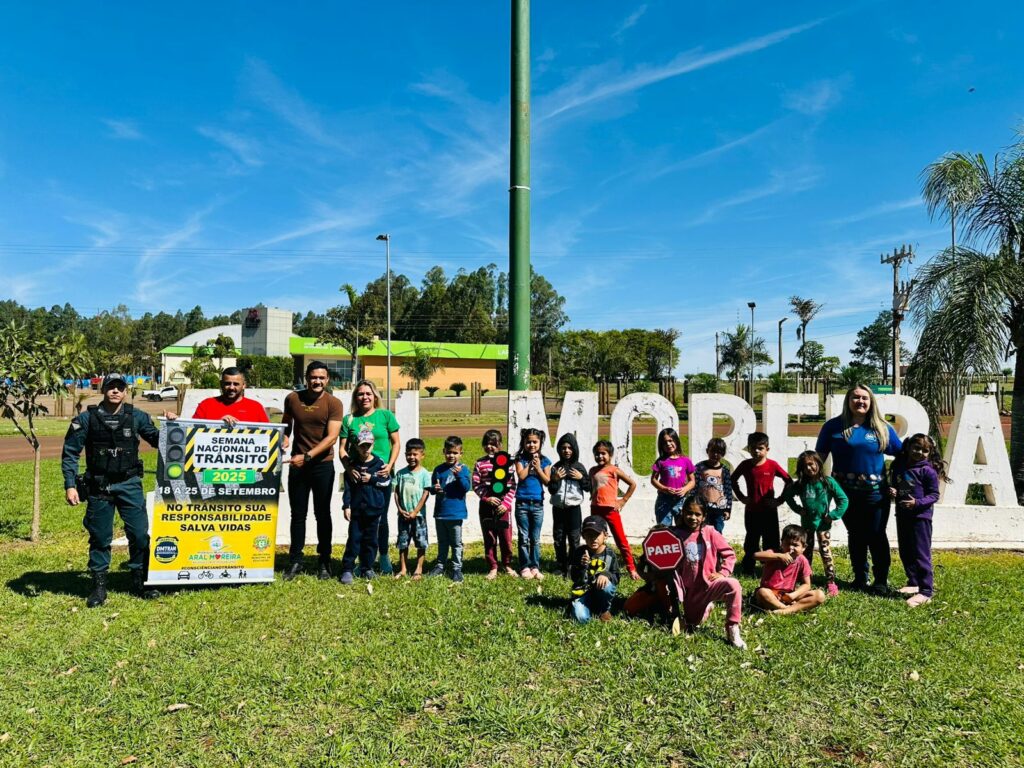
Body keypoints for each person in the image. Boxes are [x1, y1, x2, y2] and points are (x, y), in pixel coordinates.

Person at [61, 373, 161, 607]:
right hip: (99, 486)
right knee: (100, 537)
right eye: (111, 387)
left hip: (129, 485)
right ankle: (99, 587)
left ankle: (139, 581)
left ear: (126, 391)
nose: (115, 391)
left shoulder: (137, 417)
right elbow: (70, 453)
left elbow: (158, 440)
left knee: (139, 534)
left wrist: (172, 425)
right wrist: (70, 485)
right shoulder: (86, 420)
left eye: (120, 387)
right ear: (103, 390)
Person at [815, 385, 902, 592]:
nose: (860, 402)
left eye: (864, 398)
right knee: (855, 534)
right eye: (855, 398)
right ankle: (860, 577)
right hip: (845, 494)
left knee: (876, 534)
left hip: (876, 494)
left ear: (871, 402)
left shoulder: (881, 427)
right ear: (848, 401)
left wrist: (901, 483)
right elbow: (818, 458)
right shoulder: (833, 427)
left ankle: (881, 580)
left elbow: (902, 454)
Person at [281, 361, 343, 581]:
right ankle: (295, 560)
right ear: (306, 378)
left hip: (321, 466)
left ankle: (324, 561)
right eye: (313, 377)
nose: (317, 381)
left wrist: (307, 457)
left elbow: (332, 438)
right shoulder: (293, 399)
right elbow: (286, 423)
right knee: (297, 515)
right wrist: (286, 437)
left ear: (327, 380)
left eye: (321, 378)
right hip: (297, 466)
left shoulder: (333, 403)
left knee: (322, 514)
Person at [338, 380, 401, 575]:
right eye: (360, 394)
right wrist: (348, 469)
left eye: (368, 393)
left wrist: (389, 466)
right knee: (358, 521)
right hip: (357, 476)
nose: (364, 397)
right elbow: (342, 448)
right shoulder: (349, 420)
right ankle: (361, 562)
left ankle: (382, 556)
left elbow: (396, 443)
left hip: (380, 476)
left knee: (380, 518)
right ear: (355, 397)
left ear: (375, 396)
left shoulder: (386, 416)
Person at [672, 496, 746, 649]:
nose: (693, 517)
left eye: (697, 514)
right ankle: (706, 608)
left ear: (704, 516)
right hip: (689, 592)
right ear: (683, 513)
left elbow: (730, 554)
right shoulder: (675, 534)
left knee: (733, 584)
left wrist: (724, 572)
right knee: (692, 624)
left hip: (709, 584)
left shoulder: (710, 532)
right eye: (689, 513)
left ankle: (732, 628)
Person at [780, 450, 848, 597]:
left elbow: (844, 500)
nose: (809, 468)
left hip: (823, 526)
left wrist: (833, 515)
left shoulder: (828, 482)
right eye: (805, 466)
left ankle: (830, 581)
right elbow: (788, 495)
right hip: (806, 526)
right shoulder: (801, 484)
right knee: (805, 553)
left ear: (818, 463)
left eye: (811, 464)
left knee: (825, 553)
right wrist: (798, 509)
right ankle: (805, 579)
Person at [890, 433, 946, 607]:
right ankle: (913, 582)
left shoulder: (927, 471)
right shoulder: (900, 467)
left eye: (925, 450)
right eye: (916, 448)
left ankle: (926, 591)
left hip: (920, 518)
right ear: (908, 447)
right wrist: (895, 492)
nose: (919, 452)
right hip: (903, 516)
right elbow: (902, 489)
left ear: (930, 453)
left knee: (921, 554)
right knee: (905, 551)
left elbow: (934, 495)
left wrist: (917, 503)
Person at [731, 432, 791, 575]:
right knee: (751, 540)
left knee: (771, 541)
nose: (756, 451)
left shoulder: (772, 465)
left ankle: (770, 568)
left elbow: (789, 481)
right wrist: (741, 497)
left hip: (769, 511)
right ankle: (748, 568)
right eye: (753, 448)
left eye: (760, 448)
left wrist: (779, 500)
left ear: (767, 449)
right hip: (751, 510)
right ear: (749, 449)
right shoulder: (745, 465)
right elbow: (733, 480)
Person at [338, 428, 392, 584]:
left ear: (373, 445)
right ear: (356, 446)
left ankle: (367, 567)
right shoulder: (352, 465)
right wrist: (346, 505)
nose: (365, 449)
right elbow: (347, 487)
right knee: (354, 539)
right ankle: (348, 569)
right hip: (356, 510)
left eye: (368, 445)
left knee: (371, 541)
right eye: (362, 446)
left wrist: (372, 479)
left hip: (374, 510)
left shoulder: (379, 463)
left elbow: (386, 482)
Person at [589, 440, 640, 580]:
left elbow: (632, 484)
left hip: (611, 510)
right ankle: (595, 565)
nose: (600, 456)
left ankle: (631, 568)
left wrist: (623, 500)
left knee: (621, 540)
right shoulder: (592, 470)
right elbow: (593, 486)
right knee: (595, 538)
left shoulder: (614, 470)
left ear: (610, 455)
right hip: (595, 509)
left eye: (603, 453)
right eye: (597, 454)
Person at [472, 430, 518, 580]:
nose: (490, 447)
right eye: (487, 444)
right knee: (489, 537)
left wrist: (506, 503)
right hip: (486, 507)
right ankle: (493, 566)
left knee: (506, 538)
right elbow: (476, 484)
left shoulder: (507, 463)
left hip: (503, 508)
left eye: (493, 444)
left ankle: (507, 564)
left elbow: (512, 485)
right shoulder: (480, 463)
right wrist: (487, 498)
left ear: (500, 445)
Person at [752, 525, 825, 615]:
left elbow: (807, 585)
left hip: (788, 595)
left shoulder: (802, 560)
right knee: (762, 592)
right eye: (787, 543)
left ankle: (784, 610)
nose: (791, 548)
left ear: (804, 547)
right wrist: (779, 556)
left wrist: (793, 595)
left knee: (819, 595)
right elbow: (756, 555)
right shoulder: (775, 553)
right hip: (770, 593)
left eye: (795, 545)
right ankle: (787, 609)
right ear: (781, 542)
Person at [547, 432, 591, 578]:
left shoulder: (579, 467)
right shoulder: (556, 467)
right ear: (559, 450)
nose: (566, 450)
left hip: (573, 509)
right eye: (563, 448)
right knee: (559, 538)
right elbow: (552, 490)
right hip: (558, 508)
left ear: (574, 450)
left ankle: (573, 565)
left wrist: (581, 478)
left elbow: (588, 487)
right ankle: (561, 565)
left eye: (569, 448)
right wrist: (555, 479)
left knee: (574, 538)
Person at [429, 436, 471, 583]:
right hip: (441, 512)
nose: (451, 455)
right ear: (443, 452)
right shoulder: (439, 470)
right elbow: (433, 489)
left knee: (456, 542)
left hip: (455, 513)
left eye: (455, 452)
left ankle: (456, 568)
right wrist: (435, 489)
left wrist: (458, 475)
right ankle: (440, 565)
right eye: (448, 452)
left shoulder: (464, 469)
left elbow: (466, 487)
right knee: (442, 541)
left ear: (461, 454)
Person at [163, 367, 269, 425]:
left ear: (244, 385)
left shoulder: (255, 407)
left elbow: (269, 434)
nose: (231, 387)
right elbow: (192, 430)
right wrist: (176, 422)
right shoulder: (206, 405)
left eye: (236, 384)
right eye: (227, 383)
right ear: (221, 384)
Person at [514, 428, 552, 580]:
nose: (531, 445)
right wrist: (530, 464)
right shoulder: (520, 459)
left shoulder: (545, 461)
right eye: (528, 442)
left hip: (537, 503)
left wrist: (538, 468)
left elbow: (548, 481)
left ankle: (535, 566)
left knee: (535, 538)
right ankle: (524, 566)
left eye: (535, 442)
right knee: (524, 537)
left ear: (540, 443)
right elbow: (521, 476)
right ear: (523, 443)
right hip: (522, 503)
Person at [568, 515, 620, 624]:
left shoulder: (610, 554)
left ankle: (603, 609)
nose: (593, 539)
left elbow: (617, 577)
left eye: (597, 535)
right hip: (582, 592)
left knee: (607, 587)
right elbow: (573, 577)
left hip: (600, 591)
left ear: (605, 535)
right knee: (580, 618)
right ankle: (586, 607)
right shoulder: (579, 552)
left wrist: (606, 575)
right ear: (583, 536)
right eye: (589, 535)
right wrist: (582, 566)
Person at [394, 438, 432, 580]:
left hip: (419, 516)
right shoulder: (400, 473)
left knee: (420, 542)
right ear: (405, 455)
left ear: (422, 455)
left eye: (415, 454)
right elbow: (396, 492)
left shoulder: (424, 474)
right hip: (403, 515)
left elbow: (425, 494)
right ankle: (403, 568)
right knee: (403, 542)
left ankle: (418, 569)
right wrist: (400, 509)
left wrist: (415, 511)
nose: (412, 457)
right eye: (409, 454)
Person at [650, 427, 695, 526]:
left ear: (676, 441)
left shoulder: (685, 460)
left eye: (671, 440)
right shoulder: (660, 461)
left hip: (681, 500)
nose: (668, 444)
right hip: (664, 501)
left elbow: (692, 481)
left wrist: (685, 489)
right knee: (664, 529)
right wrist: (664, 489)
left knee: (683, 529)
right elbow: (653, 480)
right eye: (664, 442)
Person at [693, 437, 733, 533]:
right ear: (707, 451)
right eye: (713, 451)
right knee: (701, 531)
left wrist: (728, 509)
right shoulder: (699, 467)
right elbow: (694, 486)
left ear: (723, 454)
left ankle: (716, 548)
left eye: (719, 452)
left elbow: (728, 490)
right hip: (702, 507)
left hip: (719, 509)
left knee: (717, 532)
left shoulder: (725, 470)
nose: (715, 454)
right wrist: (692, 503)